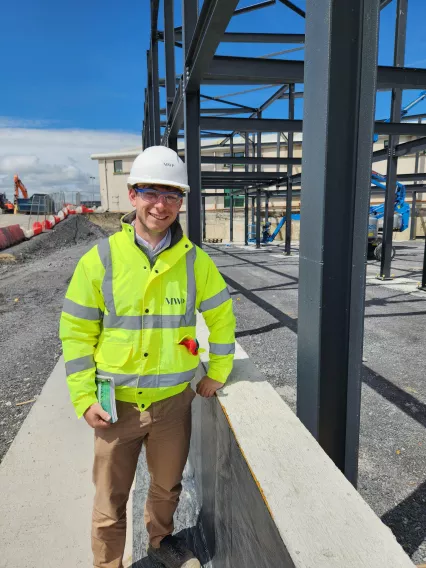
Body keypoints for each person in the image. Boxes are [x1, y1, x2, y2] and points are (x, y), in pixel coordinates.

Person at [59, 145, 236, 568]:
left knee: (167, 487)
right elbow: (77, 332)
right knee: (108, 501)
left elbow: (222, 316)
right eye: (152, 192)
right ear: (133, 194)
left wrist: (219, 370)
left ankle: (160, 546)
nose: (162, 204)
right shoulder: (100, 259)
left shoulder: (195, 261)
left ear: (181, 202)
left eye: (173, 195)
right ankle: (108, 564)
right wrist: (84, 397)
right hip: (114, 405)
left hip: (173, 404)